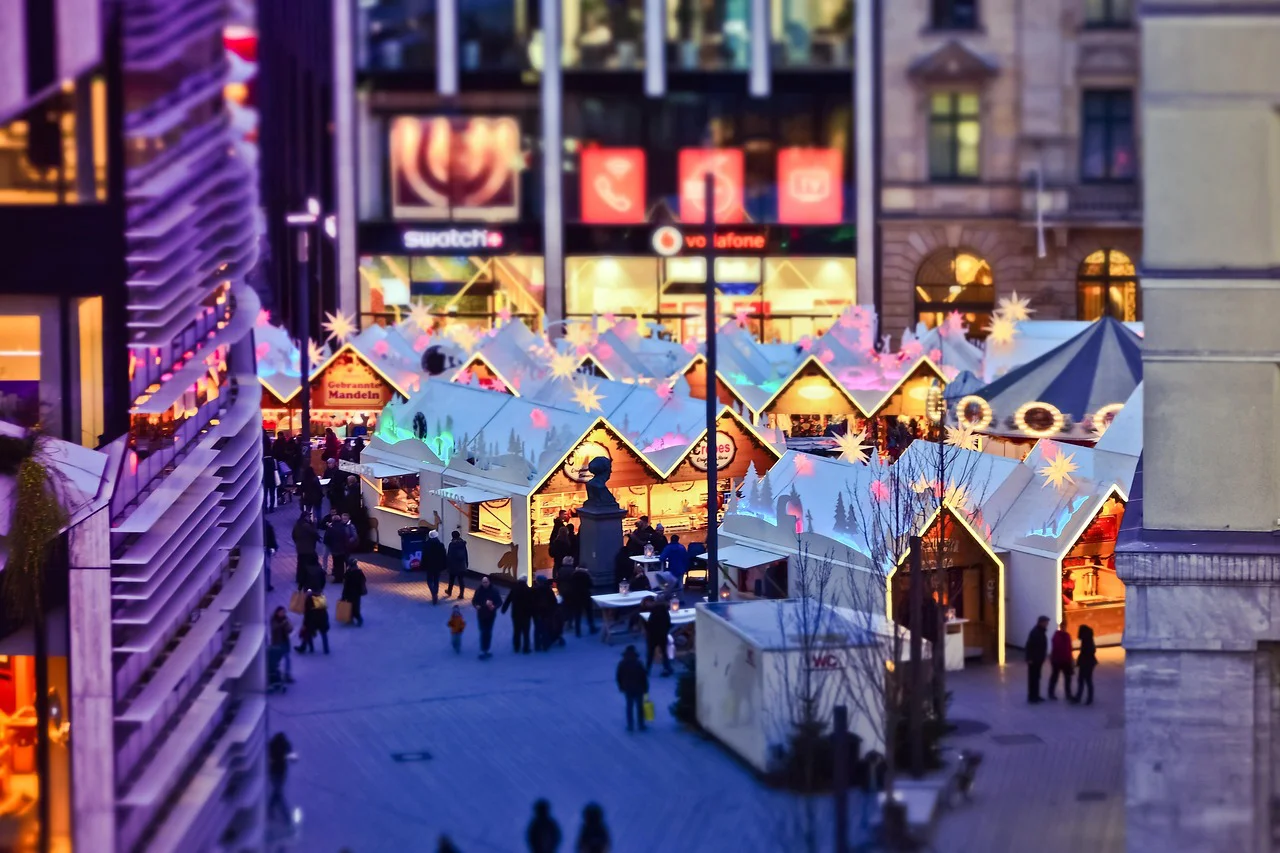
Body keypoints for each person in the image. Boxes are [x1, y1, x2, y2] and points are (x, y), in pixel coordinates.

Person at [615, 645, 649, 732]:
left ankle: (630, 725)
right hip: (639, 688)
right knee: (639, 707)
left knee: (629, 707)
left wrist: (621, 686)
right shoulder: (639, 663)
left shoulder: (622, 664)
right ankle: (641, 724)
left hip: (628, 688)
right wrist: (646, 688)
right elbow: (644, 677)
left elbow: (618, 677)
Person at [267, 732, 295, 823]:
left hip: (273, 771)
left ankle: (270, 810)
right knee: (278, 792)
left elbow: (267, 755)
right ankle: (285, 816)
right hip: (281, 771)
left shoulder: (272, 744)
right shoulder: (285, 744)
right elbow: (292, 756)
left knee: (277, 792)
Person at [472, 575, 503, 659]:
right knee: (483, 631)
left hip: (490, 615)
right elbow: (474, 601)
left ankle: (487, 648)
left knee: (488, 632)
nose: (484, 584)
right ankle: (483, 649)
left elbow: (499, 602)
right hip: (481, 614)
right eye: (483, 582)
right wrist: (476, 606)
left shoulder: (494, 591)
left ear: (489, 582)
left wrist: (494, 607)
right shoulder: (479, 591)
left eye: (486, 582)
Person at [501, 577, 533, 653]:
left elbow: (508, 600)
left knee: (516, 631)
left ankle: (516, 647)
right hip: (526, 614)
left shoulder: (514, 589)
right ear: (526, 581)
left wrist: (504, 609)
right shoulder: (528, 590)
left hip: (516, 613)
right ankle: (526, 648)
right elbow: (532, 602)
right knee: (526, 632)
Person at [325, 512, 357, 584]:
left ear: (348, 518)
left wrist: (348, 542)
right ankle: (342, 576)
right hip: (343, 547)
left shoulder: (350, 526)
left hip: (346, 547)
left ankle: (346, 576)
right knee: (342, 563)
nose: (344, 520)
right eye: (343, 519)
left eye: (345, 519)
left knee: (345, 562)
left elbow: (354, 536)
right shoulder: (341, 526)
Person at [645, 598, 673, 676]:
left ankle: (647, 669)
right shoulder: (665, 612)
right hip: (662, 635)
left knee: (650, 653)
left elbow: (649, 624)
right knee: (664, 653)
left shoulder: (653, 613)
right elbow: (668, 623)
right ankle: (667, 668)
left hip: (652, 636)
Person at [1025, 615, 1050, 703]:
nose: (1047, 624)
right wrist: (1029, 658)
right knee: (1033, 678)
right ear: (1041, 622)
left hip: (1038, 659)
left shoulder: (1040, 631)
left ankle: (1036, 695)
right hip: (1034, 660)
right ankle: (1032, 697)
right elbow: (1029, 646)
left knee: (1037, 677)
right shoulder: (1035, 632)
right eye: (1046, 622)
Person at [567, 562, 597, 637]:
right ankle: (592, 628)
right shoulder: (586, 575)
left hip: (576, 596)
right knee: (589, 612)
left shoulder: (573, 575)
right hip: (585, 595)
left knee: (577, 614)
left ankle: (578, 631)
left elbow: (570, 585)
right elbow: (590, 585)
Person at [1071, 624, 1098, 705]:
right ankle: (1086, 698)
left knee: (1085, 680)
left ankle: (1083, 698)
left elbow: (1089, 651)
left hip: (1087, 663)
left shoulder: (1086, 640)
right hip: (1088, 663)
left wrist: (1082, 660)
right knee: (1085, 680)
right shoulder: (1088, 639)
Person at [299, 588, 330, 654]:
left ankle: (307, 647)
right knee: (323, 634)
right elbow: (324, 611)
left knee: (308, 632)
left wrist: (305, 623)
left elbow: (307, 613)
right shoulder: (320, 597)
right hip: (322, 619)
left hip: (313, 619)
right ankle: (326, 649)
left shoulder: (309, 599)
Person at [1048, 621, 1074, 700]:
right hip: (1058, 660)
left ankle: (1067, 694)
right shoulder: (1058, 636)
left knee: (1066, 678)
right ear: (1061, 627)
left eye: (1065, 626)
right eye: (1063, 626)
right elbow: (1058, 648)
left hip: (1064, 660)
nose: (1064, 628)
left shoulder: (1065, 636)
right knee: (1056, 677)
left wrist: (1071, 659)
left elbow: (1069, 649)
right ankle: (1052, 693)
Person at [532, 576, 558, 652]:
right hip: (547, 612)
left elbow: (531, 602)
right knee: (546, 628)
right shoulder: (549, 590)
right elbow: (553, 601)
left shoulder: (535, 590)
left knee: (537, 629)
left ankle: (537, 645)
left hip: (537, 612)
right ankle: (545, 644)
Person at [269, 606, 294, 685]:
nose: (282, 613)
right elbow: (274, 627)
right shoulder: (274, 619)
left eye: (284, 612)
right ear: (277, 612)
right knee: (276, 660)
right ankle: (275, 675)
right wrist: (282, 624)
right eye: (281, 612)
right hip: (277, 643)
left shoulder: (285, 619)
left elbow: (290, 629)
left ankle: (287, 674)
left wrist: (287, 625)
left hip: (285, 642)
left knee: (287, 659)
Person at [423, 529, 447, 604]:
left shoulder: (426, 545)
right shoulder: (440, 545)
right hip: (438, 566)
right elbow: (444, 556)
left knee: (429, 580)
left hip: (429, 565)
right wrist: (444, 565)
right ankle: (435, 593)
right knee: (436, 580)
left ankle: (433, 593)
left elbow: (424, 556)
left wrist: (423, 565)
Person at [341, 560, 368, 627]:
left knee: (352, 606)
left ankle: (355, 619)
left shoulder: (349, 573)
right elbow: (363, 580)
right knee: (355, 606)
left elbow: (346, 583)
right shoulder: (358, 573)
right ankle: (354, 618)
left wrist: (344, 595)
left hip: (350, 592)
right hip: (356, 593)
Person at [445, 530, 469, 598]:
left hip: (453, 565)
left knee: (451, 579)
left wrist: (447, 565)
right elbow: (466, 554)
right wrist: (466, 563)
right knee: (461, 580)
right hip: (461, 565)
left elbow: (449, 556)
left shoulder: (452, 544)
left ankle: (449, 591)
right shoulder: (463, 544)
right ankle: (461, 594)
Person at [263, 519, 278, 592]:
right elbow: (272, 538)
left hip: (259, 547)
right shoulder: (268, 525)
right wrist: (275, 547)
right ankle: (267, 585)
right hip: (266, 548)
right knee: (267, 568)